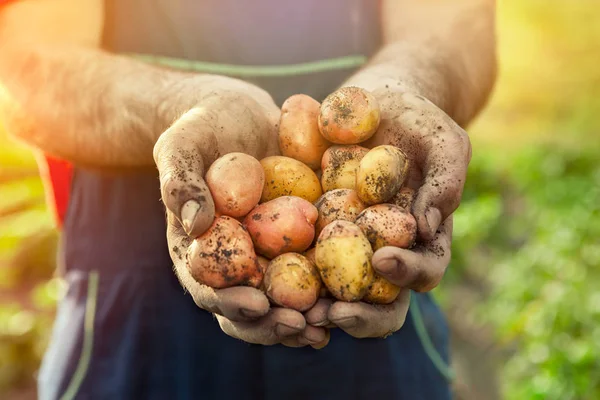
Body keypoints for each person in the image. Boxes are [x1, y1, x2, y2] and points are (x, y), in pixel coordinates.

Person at [0, 0, 496, 398]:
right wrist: (173, 106)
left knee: (372, 285)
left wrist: (404, 86)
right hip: (129, 295)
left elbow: (457, 27)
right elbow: (25, 67)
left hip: (376, 296)